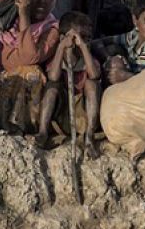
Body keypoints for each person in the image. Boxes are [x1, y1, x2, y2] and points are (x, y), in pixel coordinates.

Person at [0, 0, 60, 133]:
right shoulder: (7, 24)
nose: (41, 0)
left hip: (30, 104)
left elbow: (29, 57)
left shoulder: (53, 28)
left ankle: (21, 127)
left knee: (30, 72)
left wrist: (24, 15)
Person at [36, 12, 101, 155]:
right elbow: (53, 77)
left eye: (88, 38)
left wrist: (83, 47)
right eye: (80, 37)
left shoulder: (89, 59)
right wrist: (61, 47)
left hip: (82, 115)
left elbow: (95, 75)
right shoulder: (57, 59)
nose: (83, 41)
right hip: (63, 114)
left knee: (91, 84)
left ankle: (89, 136)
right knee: (52, 88)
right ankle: (42, 132)